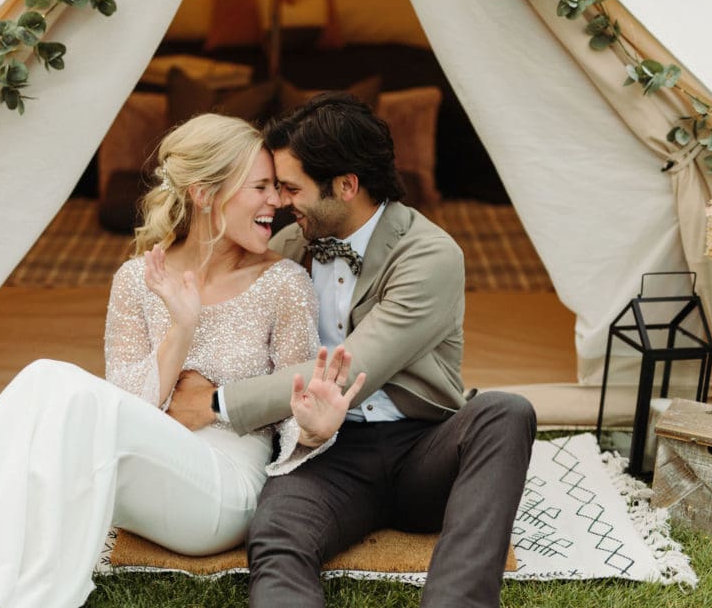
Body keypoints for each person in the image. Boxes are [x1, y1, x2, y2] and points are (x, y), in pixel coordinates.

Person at [0, 113, 364, 608]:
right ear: (204, 193)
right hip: (141, 472)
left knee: (53, 385)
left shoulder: (285, 284)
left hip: (223, 490)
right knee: (49, 398)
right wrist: (182, 329)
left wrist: (313, 431)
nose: (277, 202)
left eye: (277, 188)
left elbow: (293, 414)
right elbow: (125, 407)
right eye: (260, 187)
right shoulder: (137, 281)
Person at [167, 93, 538, 608]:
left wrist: (216, 403)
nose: (278, 203)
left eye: (291, 188)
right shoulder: (292, 246)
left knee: (505, 412)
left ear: (346, 185)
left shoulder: (429, 254)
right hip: (326, 451)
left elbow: (351, 367)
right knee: (274, 534)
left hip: (420, 450)